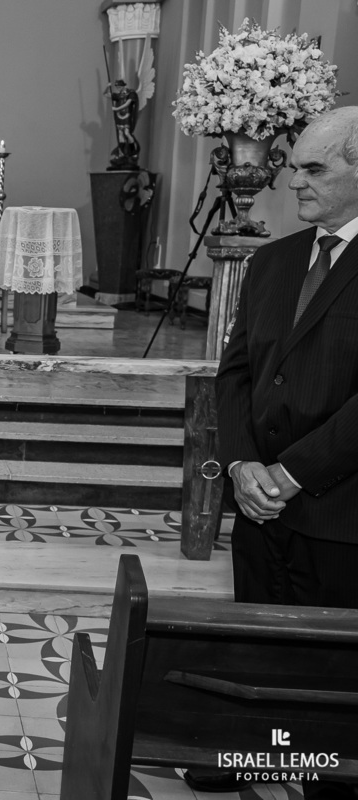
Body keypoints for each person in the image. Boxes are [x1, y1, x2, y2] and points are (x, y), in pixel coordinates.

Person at [212, 106, 358, 798]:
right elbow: (236, 371)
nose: (291, 180)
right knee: (257, 656)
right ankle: (257, 762)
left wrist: (292, 474)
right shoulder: (271, 259)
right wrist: (242, 465)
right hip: (258, 506)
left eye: (313, 168)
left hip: (337, 512)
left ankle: (325, 779)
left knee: (331, 678)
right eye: (292, 165)